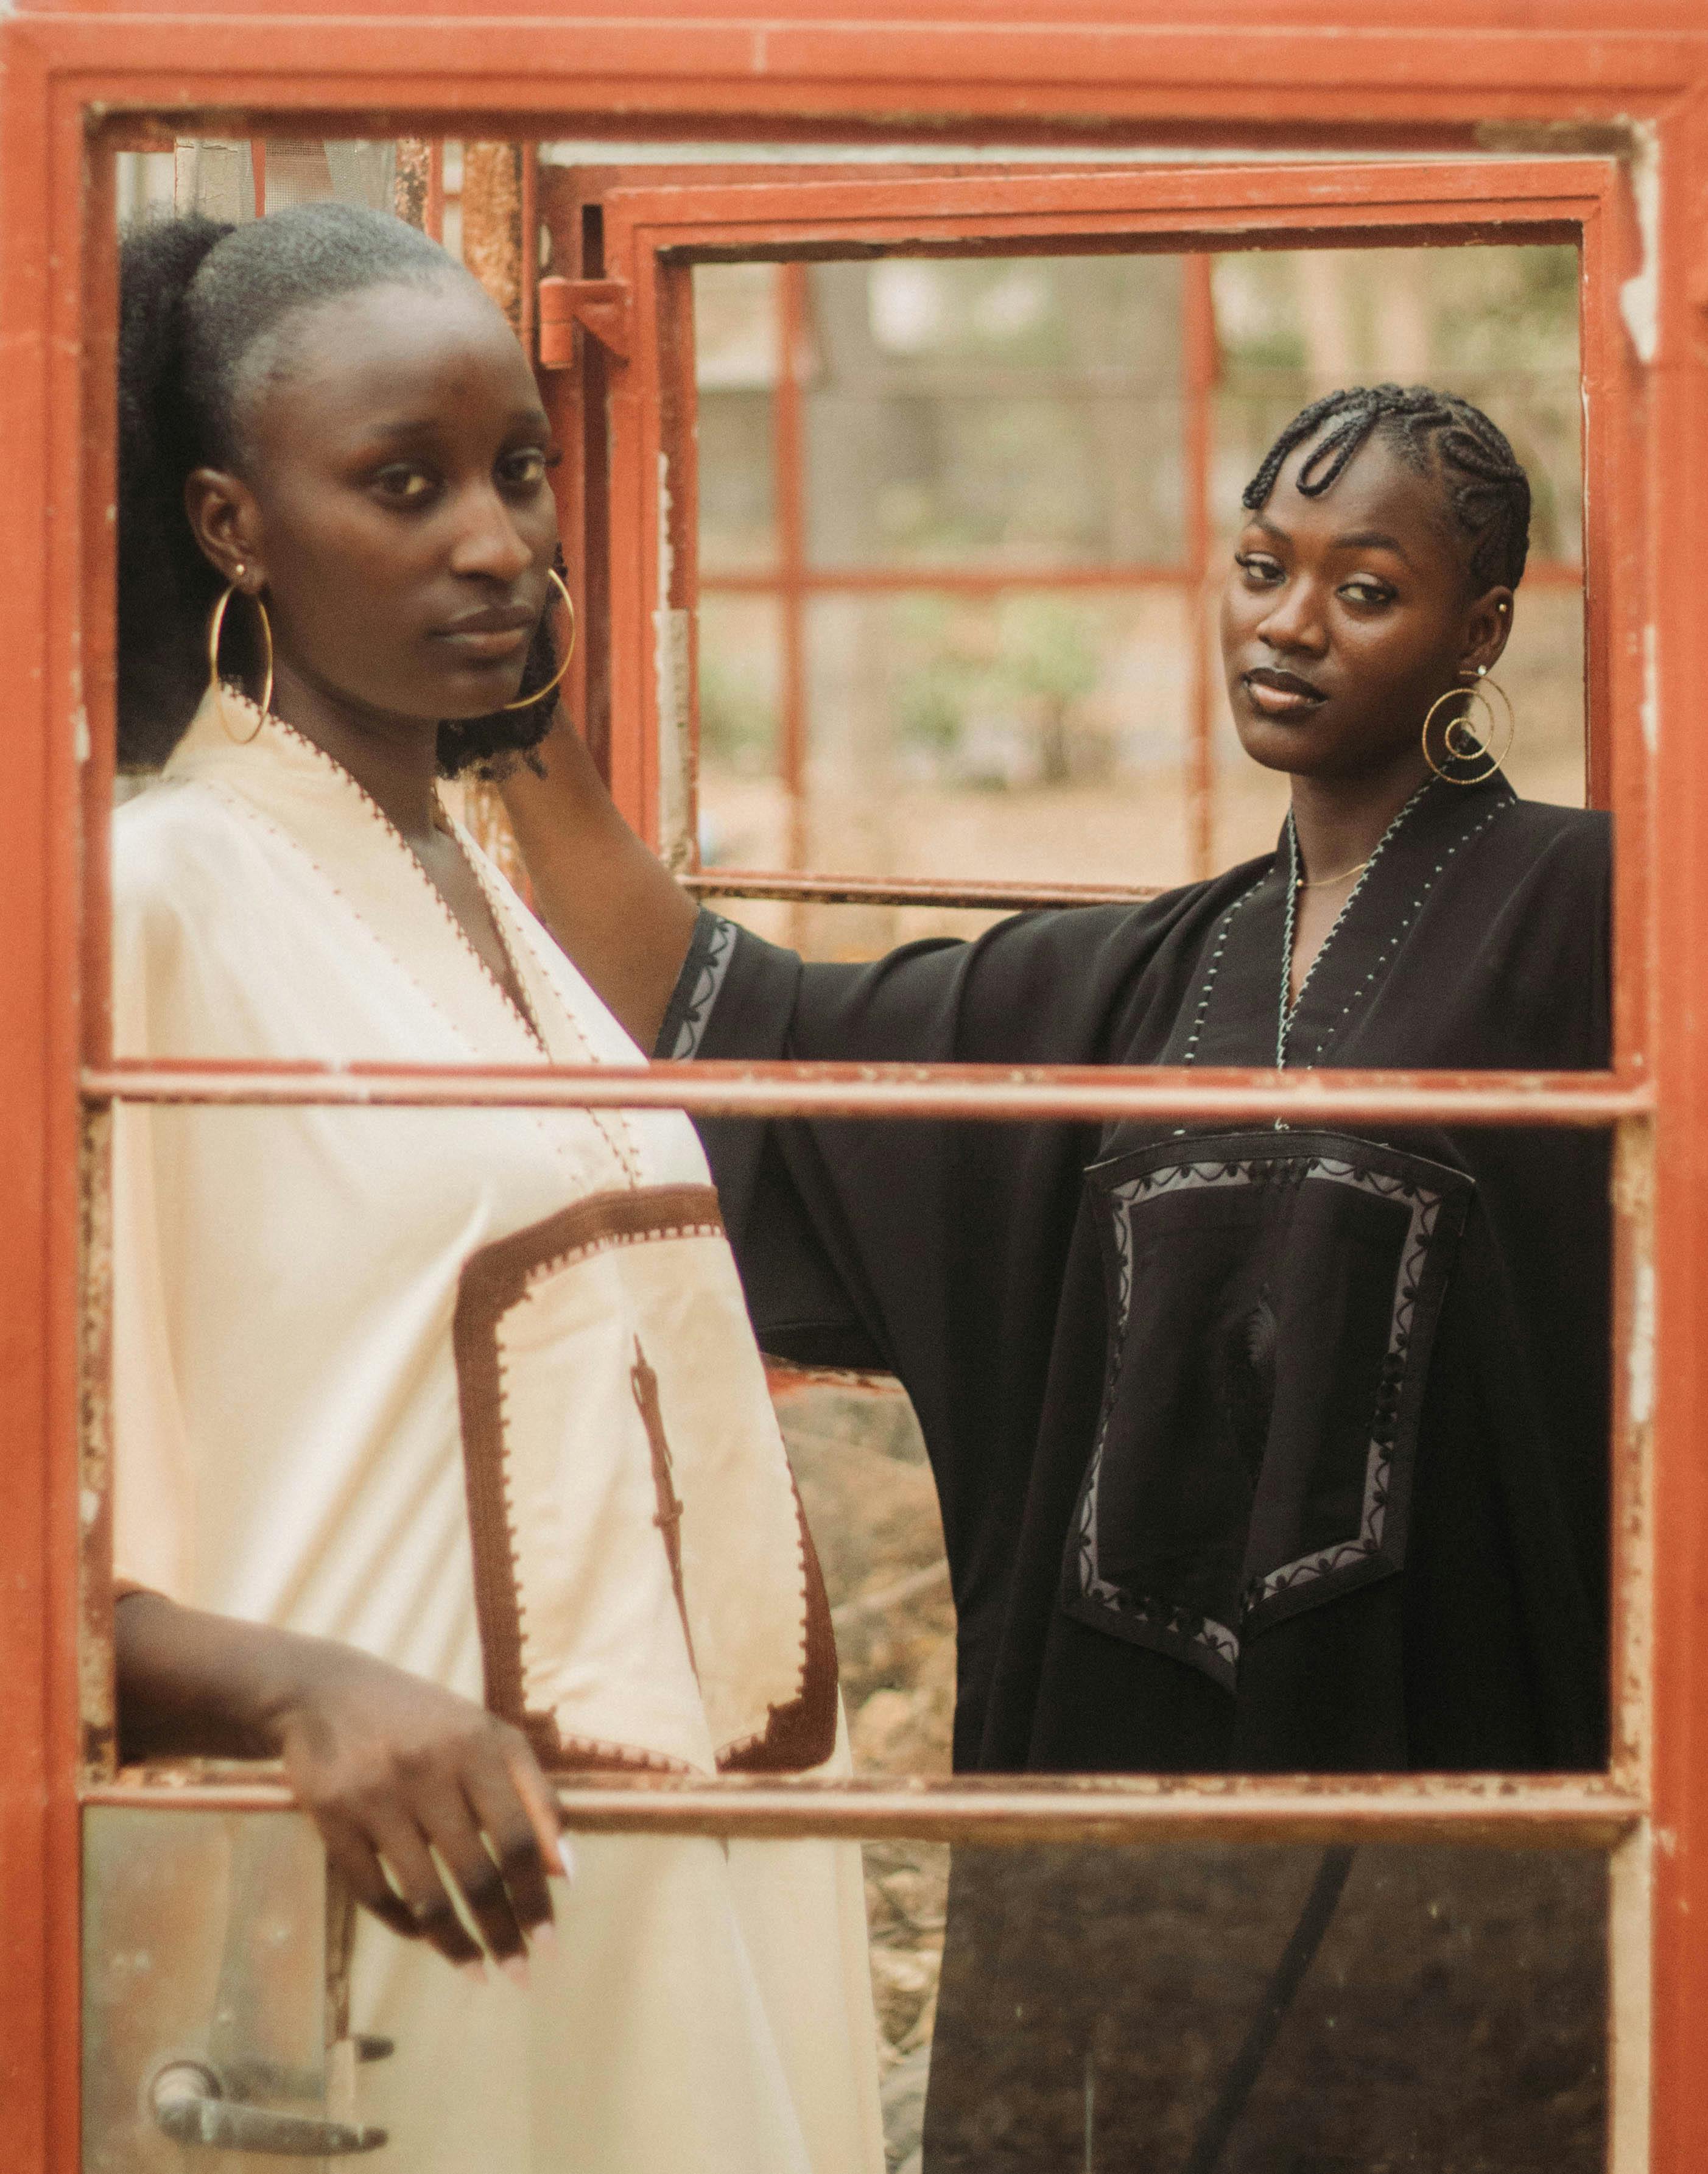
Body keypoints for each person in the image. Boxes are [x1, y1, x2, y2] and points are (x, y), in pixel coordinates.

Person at [499, 384, 1612, 2161]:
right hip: (1134, 1782)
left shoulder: (1597, 911)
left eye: (1365, 588)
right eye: (1261, 566)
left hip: (1461, 1772)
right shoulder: (1146, 981)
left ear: (1482, 630)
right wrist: (517, 721)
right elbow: (749, 1031)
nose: (1289, 624)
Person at [111, 202, 882, 2174]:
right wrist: (298, 1690)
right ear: (230, 525)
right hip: (386, 1906)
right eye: (407, 483)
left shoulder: (478, 881)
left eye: (519, 471)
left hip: (669, 1874)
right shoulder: (155, 895)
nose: (497, 541)